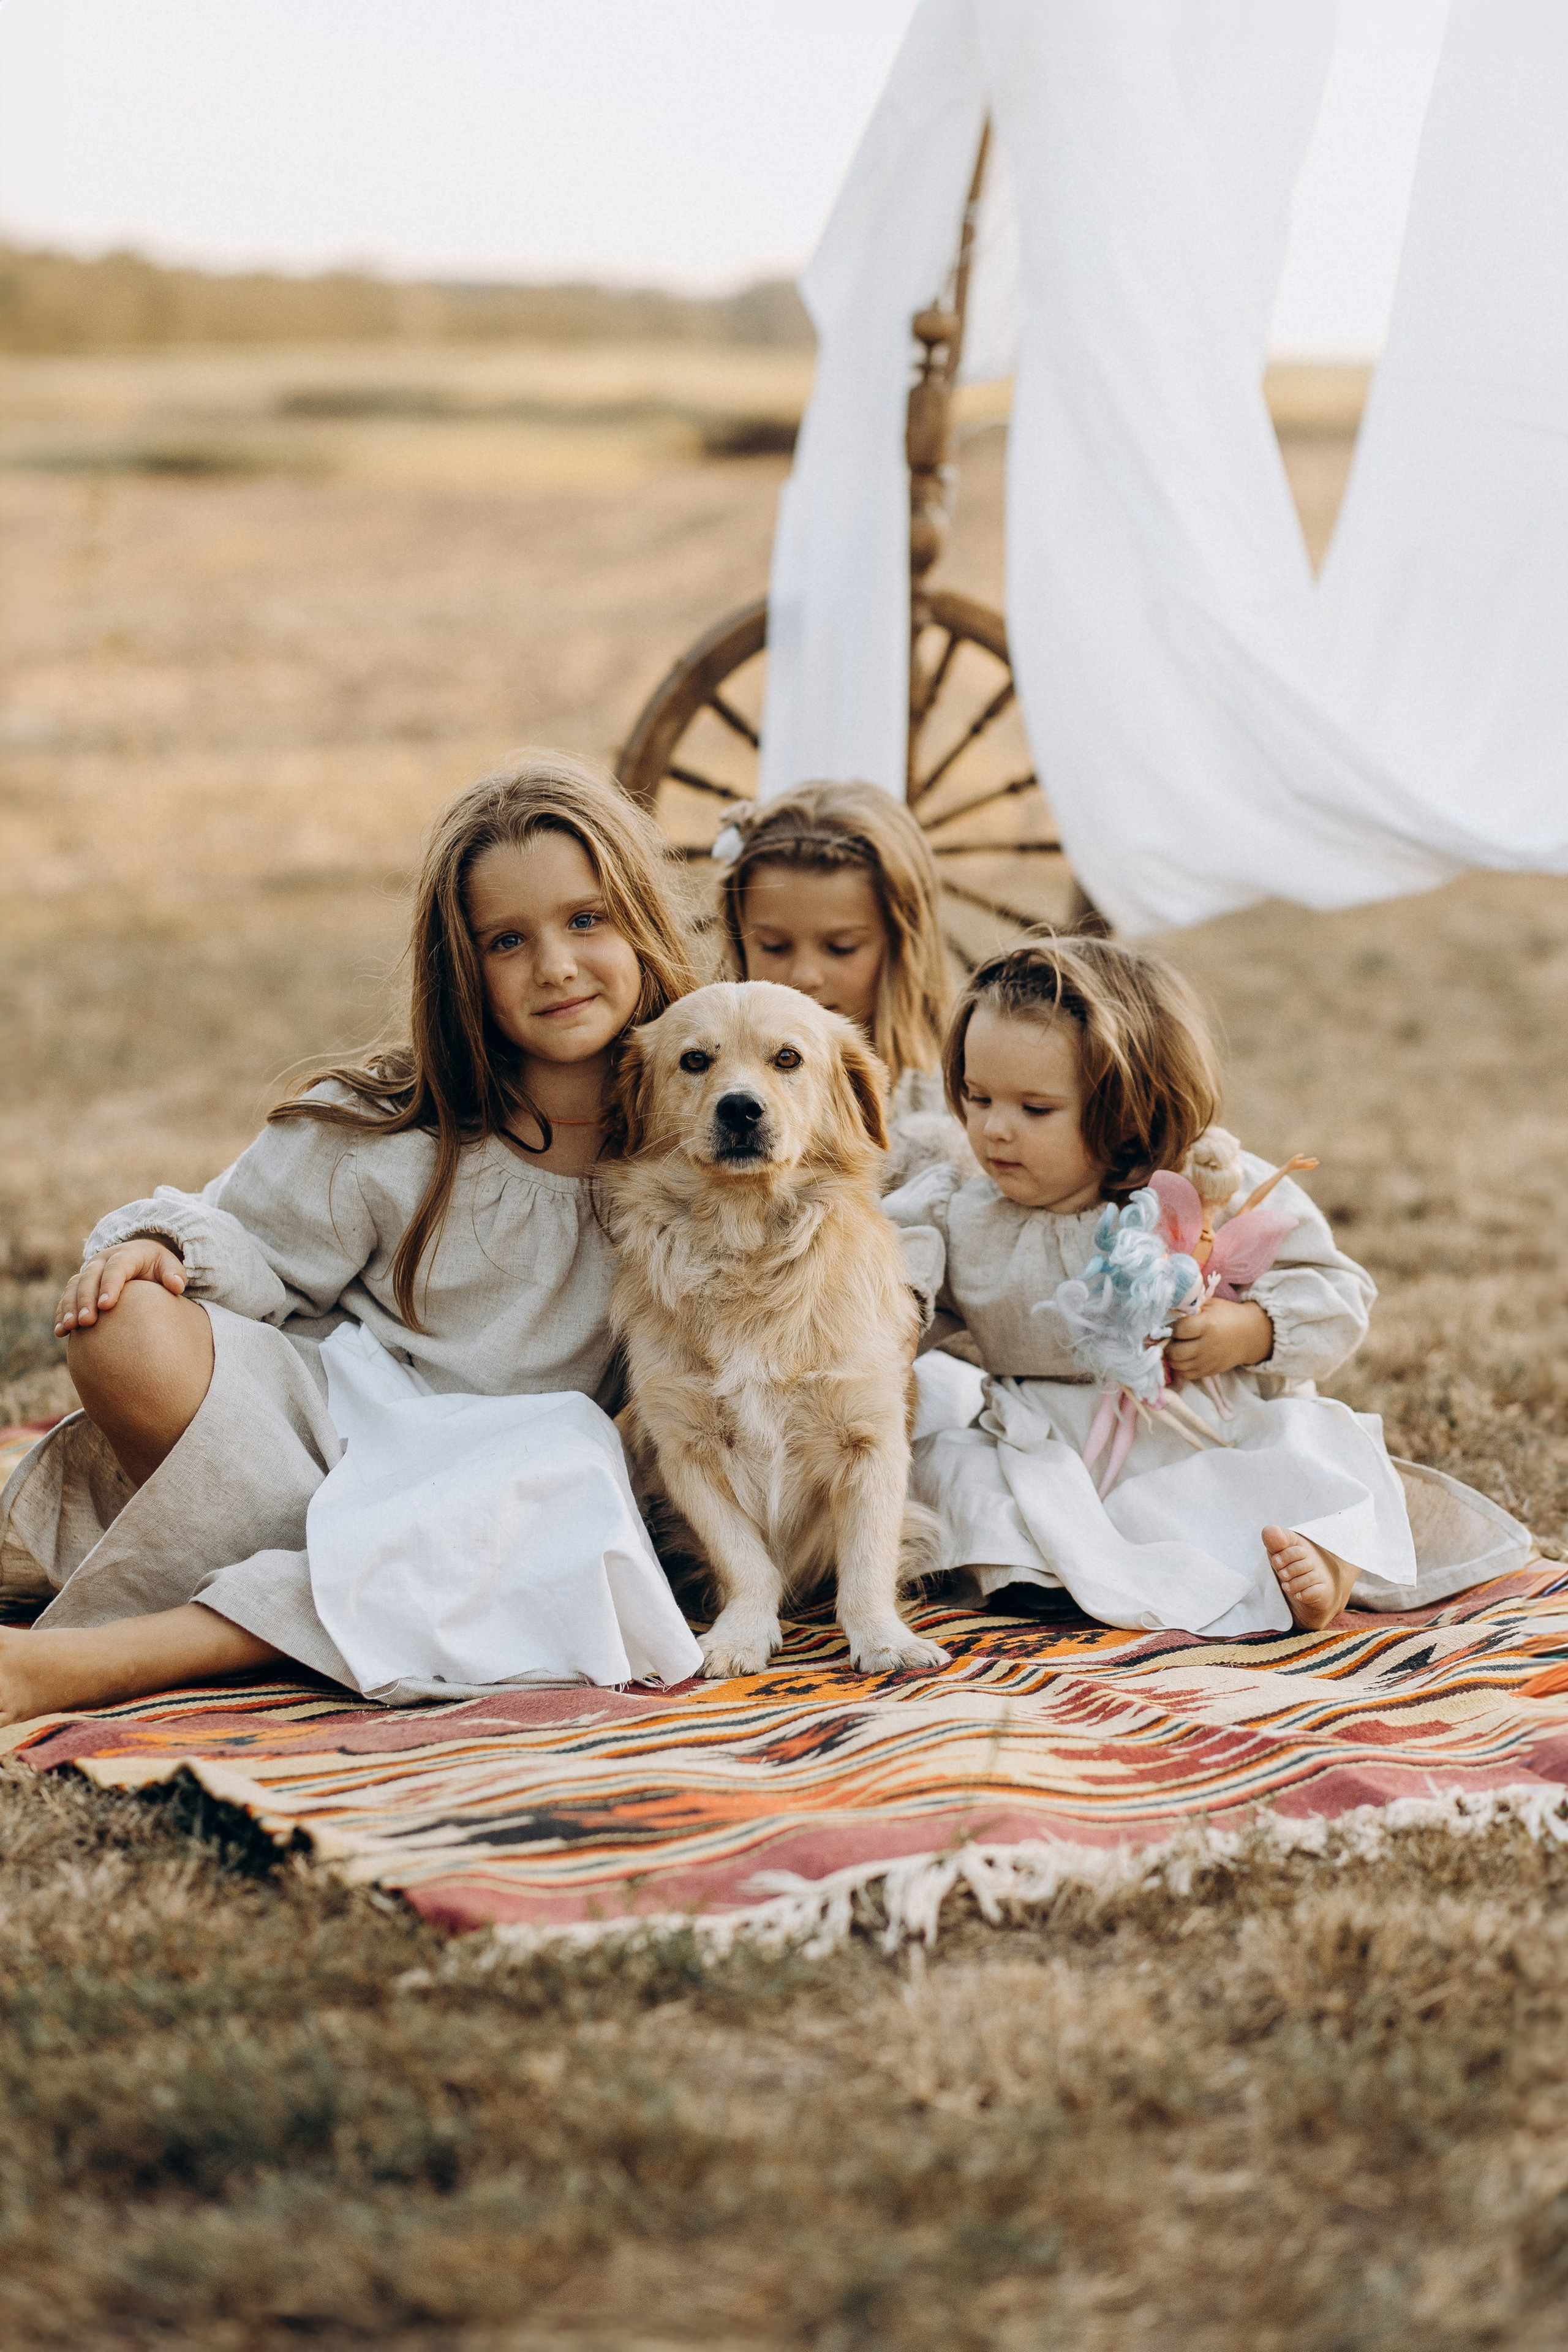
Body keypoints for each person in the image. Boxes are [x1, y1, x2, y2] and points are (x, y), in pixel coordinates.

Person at [0, 755, 709, 1727]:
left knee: (565, 1457)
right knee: (123, 1325)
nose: (555, 965)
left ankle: (107, 1661)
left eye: (587, 919)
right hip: (332, 1441)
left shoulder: (706, 1127)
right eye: (508, 940)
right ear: (464, 965)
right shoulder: (391, 1127)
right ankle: (363, 1600)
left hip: (516, 1489)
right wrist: (163, 1249)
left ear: (644, 918)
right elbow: (248, 1243)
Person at [883, 933, 1530, 1635]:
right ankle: (1055, 1577)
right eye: (976, 1098)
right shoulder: (954, 1213)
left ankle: (1327, 1560)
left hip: (1204, 1433)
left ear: (1126, 1107)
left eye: (1034, 1110)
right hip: (1049, 1449)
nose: (993, 1130)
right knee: (948, 1471)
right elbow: (881, 1297)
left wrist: (1249, 1332)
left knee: (1316, 1446)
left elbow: (1337, 1295)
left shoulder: (1204, 1186)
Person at [710, 781, 972, 1194]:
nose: (804, 976)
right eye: (774, 946)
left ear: (902, 945)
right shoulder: (708, 1086)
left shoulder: (959, 1104)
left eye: (841, 947)